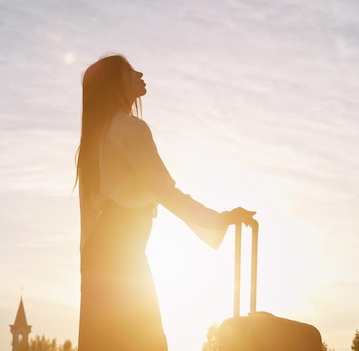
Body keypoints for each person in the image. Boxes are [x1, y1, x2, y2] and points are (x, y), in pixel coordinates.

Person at [75, 54, 256, 351]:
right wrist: (219, 219)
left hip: (102, 251)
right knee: (144, 341)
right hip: (120, 252)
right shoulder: (130, 129)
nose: (140, 73)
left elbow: (89, 216)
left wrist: (88, 262)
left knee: (110, 341)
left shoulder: (96, 138)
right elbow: (166, 193)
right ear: (114, 83)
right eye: (130, 71)